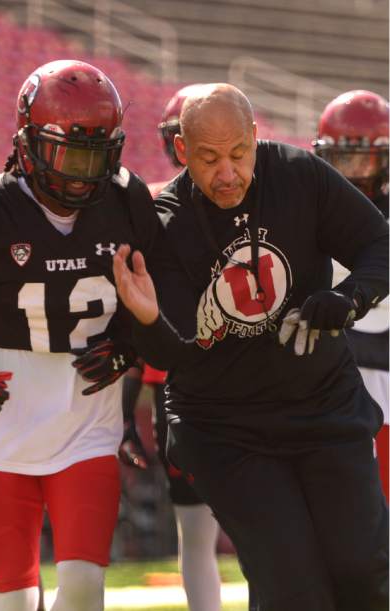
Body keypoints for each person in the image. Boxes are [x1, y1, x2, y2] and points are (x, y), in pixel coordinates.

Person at [111, 83, 389, 611]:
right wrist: (146, 319)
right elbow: (174, 354)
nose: (227, 173)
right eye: (210, 159)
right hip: (227, 429)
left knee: (365, 571)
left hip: (325, 407)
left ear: (255, 139)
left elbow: (380, 243)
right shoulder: (166, 220)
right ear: (183, 152)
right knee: (295, 590)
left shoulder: (298, 174)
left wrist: (350, 297)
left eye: (239, 154)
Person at [0, 59, 158, 611]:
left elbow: (151, 303)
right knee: (14, 597)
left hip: (88, 420)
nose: (83, 173)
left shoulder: (126, 203)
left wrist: (125, 346)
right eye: (71, 154)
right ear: (28, 143)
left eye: (97, 157)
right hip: (0, 424)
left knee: (83, 587)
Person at [121, 83, 223, 611]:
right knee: (195, 525)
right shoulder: (156, 206)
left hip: (246, 378)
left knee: (257, 517)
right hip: (177, 386)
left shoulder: (252, 199)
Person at [313, 89, 389, 501]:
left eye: (366, 160)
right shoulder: (308, 210)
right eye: (345, 159)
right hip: (324, 383)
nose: (356, 173)